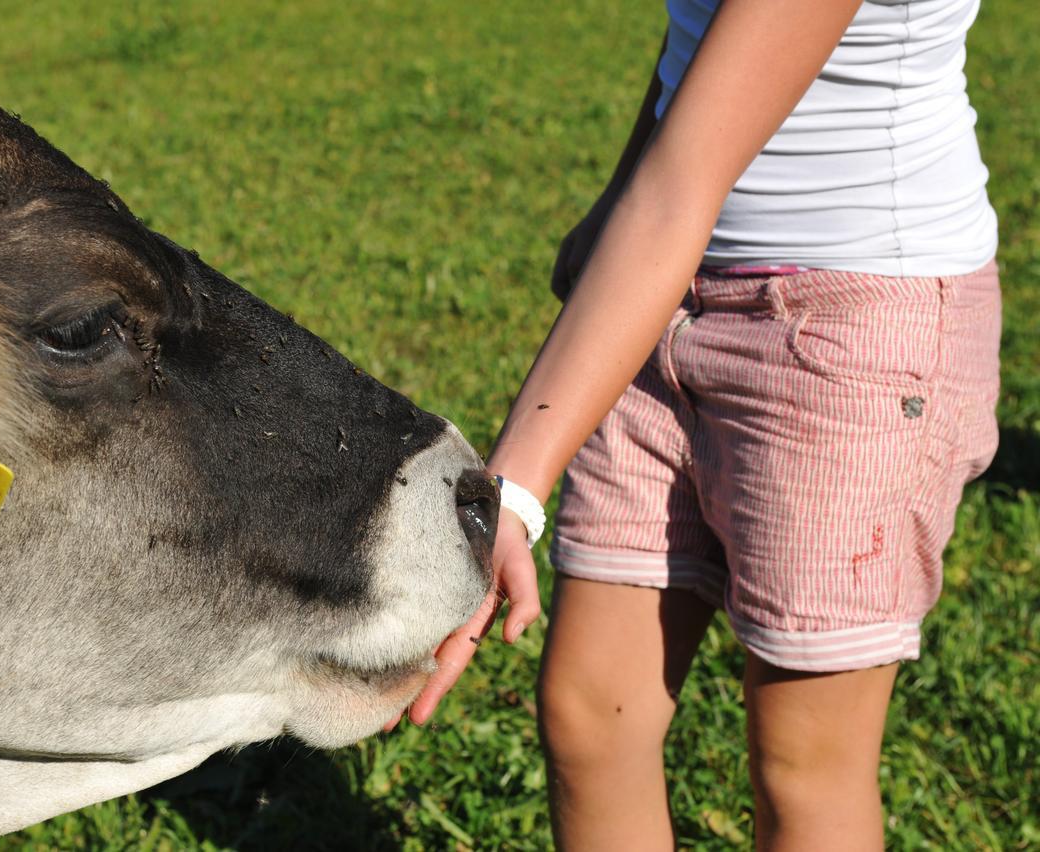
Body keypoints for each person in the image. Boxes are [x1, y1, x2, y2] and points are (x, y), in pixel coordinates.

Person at [400, 0, 1001, 848]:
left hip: (848, 329)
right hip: (668, 286)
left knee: (802, 760)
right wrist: (618, 194)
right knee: (589, 713)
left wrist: (515, 490)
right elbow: (707, 40)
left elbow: (685, 180)